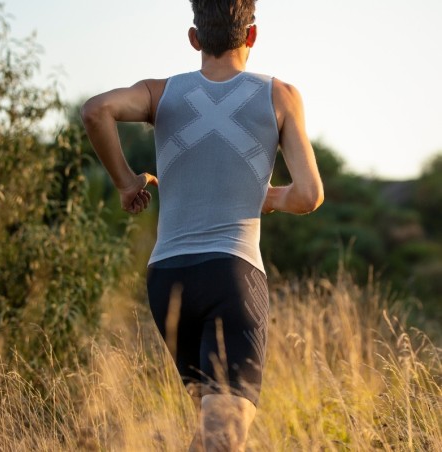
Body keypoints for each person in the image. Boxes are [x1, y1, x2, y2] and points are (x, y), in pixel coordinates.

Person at [81, 0, 324, 450]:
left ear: (194, 40)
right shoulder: (280, 95)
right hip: (230, 275)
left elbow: (97, 110)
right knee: (223, 435)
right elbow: (309, 195)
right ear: (252, 36)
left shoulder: (162, 92)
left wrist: (124, 182)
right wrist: (270, 198)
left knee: (210, 426)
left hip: (166, 278)